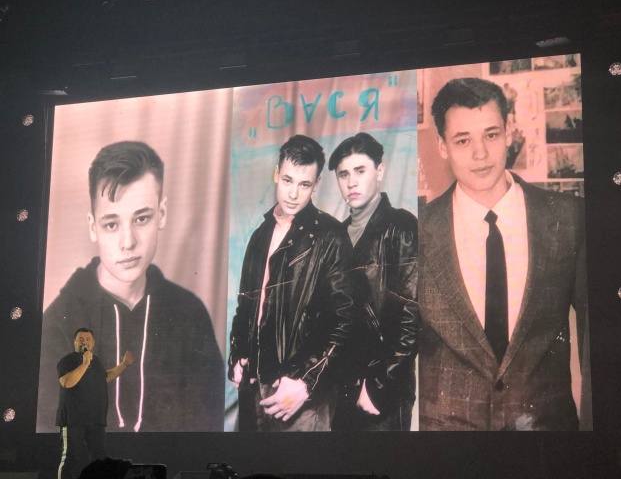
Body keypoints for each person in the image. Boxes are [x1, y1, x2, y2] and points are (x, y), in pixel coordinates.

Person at [418, 77, 589, 430]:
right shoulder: (416, 230)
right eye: (462, 140)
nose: (480, 154)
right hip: (445, 444)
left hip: (545, 437)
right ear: (442, 146)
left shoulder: (569, 217)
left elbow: (598, 340)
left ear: (509, 132)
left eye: (491, 135)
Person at [38, 141, 225, 433]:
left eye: (141, 218)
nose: (128, 242)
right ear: (92, 226)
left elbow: (208, 434)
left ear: (162, 213)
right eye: (111, 224)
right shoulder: (56, 326)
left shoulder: (190, 314)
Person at [228, 134, 357, 431]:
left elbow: (345, 322)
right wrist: (237, 355)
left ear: (317, 184)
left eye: (304, 184)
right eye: (287, 180)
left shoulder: (331, 237)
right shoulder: (259, 235)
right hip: (254, 388)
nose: (293, 194)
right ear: (277, 173)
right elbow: (246, 308)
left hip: (302, 396)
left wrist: (305, 381)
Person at [328, 132, 419, 431]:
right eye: (343, 174)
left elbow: (412, 316)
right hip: (341, 387)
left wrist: (379, 386)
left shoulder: (402, 226)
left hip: (381, 390)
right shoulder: (336, 235)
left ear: (379, 171)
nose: (351, 182)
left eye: (360, 171)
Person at [57, 328, 134, 479]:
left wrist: (124, 364)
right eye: (80, 339)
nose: (84, 342)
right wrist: (85, 363)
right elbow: (67, 382)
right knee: (71, 458)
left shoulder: (96, 362)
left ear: (92, 343)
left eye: (87, 339)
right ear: (74, 342)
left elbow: (106, 377)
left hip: (96, 420)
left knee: (99, 460)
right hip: (74, 419)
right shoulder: (68, 360)